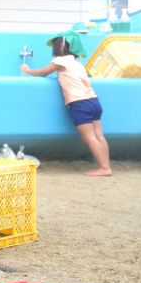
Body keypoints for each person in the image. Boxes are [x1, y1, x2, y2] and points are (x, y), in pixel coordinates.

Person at [21, 30, 111, 176]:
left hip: (79, 103)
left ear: (62, 45)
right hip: (93, 100)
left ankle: (104, 168)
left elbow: (43, 72)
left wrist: (27, 70)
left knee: (89, 137)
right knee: (99, 136)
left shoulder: (60, 61)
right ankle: (106, 166)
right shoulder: (77, 63)